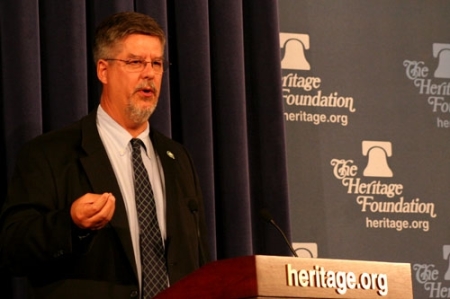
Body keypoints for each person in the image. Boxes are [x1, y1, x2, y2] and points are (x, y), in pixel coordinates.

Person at [0, 11, 209, 299]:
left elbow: (197, 260)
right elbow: (13, 248)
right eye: (135, 62)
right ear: (103, 70)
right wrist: (71, 224)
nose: (149, 73)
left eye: (157, 63)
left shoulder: (178, 158)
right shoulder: (49, 153)